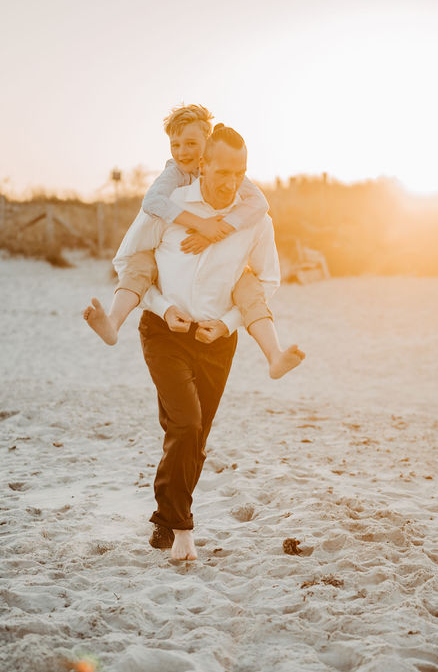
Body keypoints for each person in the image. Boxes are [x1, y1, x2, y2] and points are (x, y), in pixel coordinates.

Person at [113, 125, 280, 560]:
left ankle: (165, 518)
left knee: (193, 437)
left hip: (217, 342)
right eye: (223, 171)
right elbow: (127, 261)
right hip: (164, 330)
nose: (232, 181)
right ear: (202, 163)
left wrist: (227, 323)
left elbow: (267, 281)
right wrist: (164, 307)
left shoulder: (254, 218)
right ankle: (183, 529)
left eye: (240, 172)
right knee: (185, 425)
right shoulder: (168, 208)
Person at [84, 105, 304, 379]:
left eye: (191, 144)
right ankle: (113, 323)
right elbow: (152, 202)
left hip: (216, 327)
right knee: (140, 263)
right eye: (175, 144)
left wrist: (218, 229)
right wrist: (200, 224)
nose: (182, 152)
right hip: (164, 276)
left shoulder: (228, 172)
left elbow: (259, 204)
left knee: (249, 286)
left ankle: (274, 355)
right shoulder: (174, 173)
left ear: (208, 146)